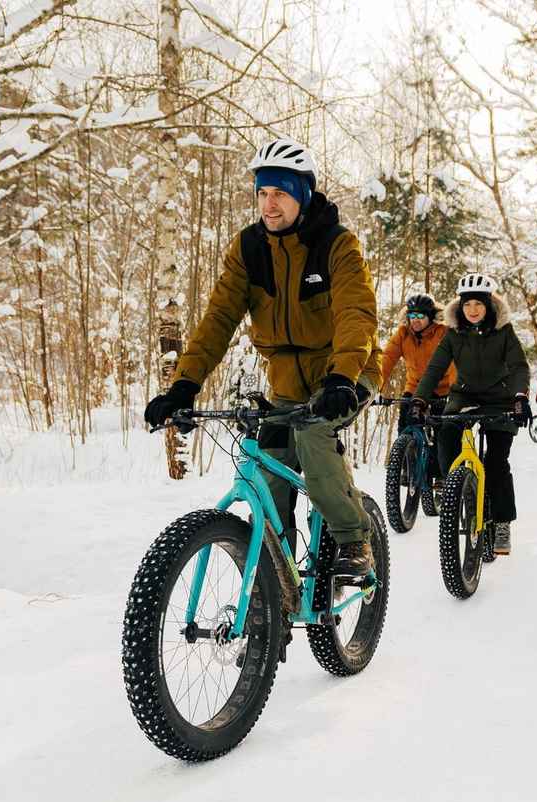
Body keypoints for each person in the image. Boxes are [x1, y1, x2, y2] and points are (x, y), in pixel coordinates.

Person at [143, 136, 381, 576]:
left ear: (303, 195)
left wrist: (342, 378)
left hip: (347, 372)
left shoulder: (336, 245)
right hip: (287, 386)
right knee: (269, 474)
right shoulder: (249, 249)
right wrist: (184, 386)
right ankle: (277, 583)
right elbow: (218, 320)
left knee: (312, 440)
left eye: (281, 194)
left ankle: (354, 541)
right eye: (263, 194)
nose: (270, 205)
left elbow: (356, 314)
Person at [411, 273, 530, 555]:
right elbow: (434, 369)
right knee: (447, 433)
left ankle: (501, 521)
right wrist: (419, 400)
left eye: (478, 303)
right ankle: (456, 487)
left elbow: (518, 367)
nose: (473, 310)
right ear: (460, 307)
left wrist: (520, 398)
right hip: (465, 396)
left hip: (500, 399)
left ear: (489, 305)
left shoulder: (504, 332)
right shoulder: (454, 334)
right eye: (467, 304)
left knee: (497, 461)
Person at [381, 293, 454, 432]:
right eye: (412, 316)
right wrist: (375, 386)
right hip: (414, 388)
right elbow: (387, 358)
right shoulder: (403, 334)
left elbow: (453, 364)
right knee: (405, 428)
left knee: (442, 434)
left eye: (421, 316)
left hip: (442, 390)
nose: (415, 320)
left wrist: (455, 393)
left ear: (431, 317)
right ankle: (406, 449)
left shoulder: (443, 333)